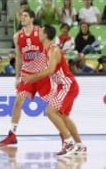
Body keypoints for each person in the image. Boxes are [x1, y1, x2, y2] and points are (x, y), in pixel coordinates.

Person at [24, 25, 87, 156]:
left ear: (46, 35)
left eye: (40, 31)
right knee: (63, 116)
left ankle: (68, 142)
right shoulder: (45, 50)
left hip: (67, 85)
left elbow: (50, 70)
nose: (38, 34)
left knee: (50, 111)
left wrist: (32, 77)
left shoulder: (54, 50)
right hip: (62, 86)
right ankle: (80, 145)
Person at [0, 9, 50, 147]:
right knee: (17, 103)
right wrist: (17, 77)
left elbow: (50, 51)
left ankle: (65, 137)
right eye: (21, 15)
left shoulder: (41, 32)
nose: (22, 17)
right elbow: (19, 58)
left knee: (53, 106)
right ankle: (12, 134)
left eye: (25, 15)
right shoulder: (17, 36)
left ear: (32, 19)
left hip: (42, 73)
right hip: (27, 75)